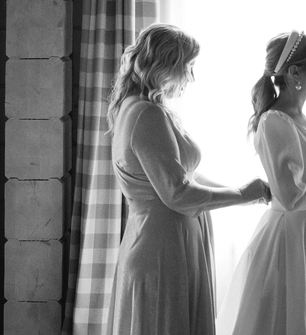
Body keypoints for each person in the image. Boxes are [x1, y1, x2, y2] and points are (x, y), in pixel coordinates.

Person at [107, 23, 271, 335]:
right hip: (161, 250)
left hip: (166, 242)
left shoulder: (145, 108)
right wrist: (243, 194)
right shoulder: (146, 114)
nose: (191, 77)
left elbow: (187, 176)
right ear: (165, 65)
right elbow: (178, 194)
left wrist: (246, 192)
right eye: (188, 66)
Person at [216, 30, 306, 335]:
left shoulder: (296, 117)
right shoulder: (275, 121)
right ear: (295, 72)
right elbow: (291, 197)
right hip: (291, 241)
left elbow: (303, 182)